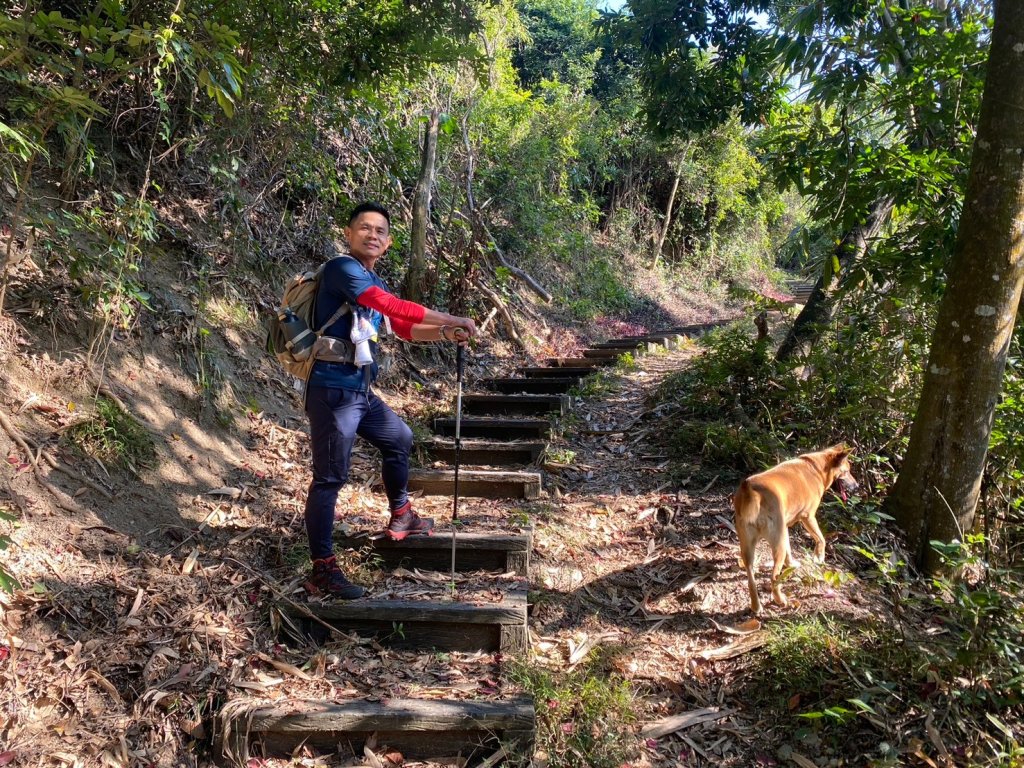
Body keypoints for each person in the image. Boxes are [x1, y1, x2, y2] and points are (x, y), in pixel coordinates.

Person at [302, 202, 477, 599]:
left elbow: (403, 327)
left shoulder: (369, 279)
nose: (373, 235)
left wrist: (446, 335)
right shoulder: (342, 270)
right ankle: (323, 569)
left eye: (380, 231)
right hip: (332, 389)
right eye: (364, 228)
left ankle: (402, 516)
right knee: (330, 477)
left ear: (389, 242)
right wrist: (451, 318)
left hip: (359, 390)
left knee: (399, 438)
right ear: (349, 234)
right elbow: (391, 307)